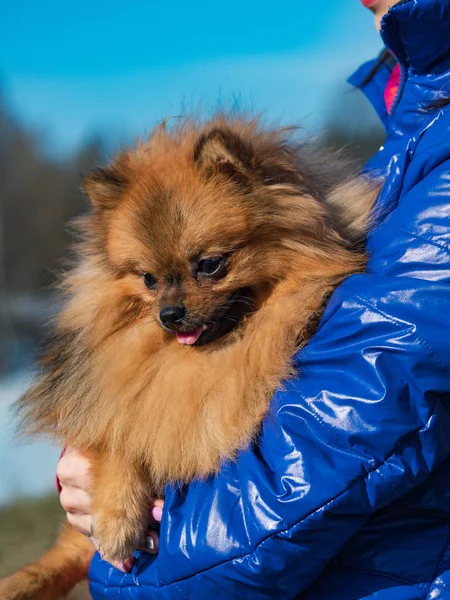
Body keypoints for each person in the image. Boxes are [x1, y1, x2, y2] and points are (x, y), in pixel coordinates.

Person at [57, 0, 450, 597]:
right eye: (150, 280)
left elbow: (319, 469)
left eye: (210, 267)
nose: (173, 306)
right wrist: (113, 462)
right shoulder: (413, 119)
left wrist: (122, 569)